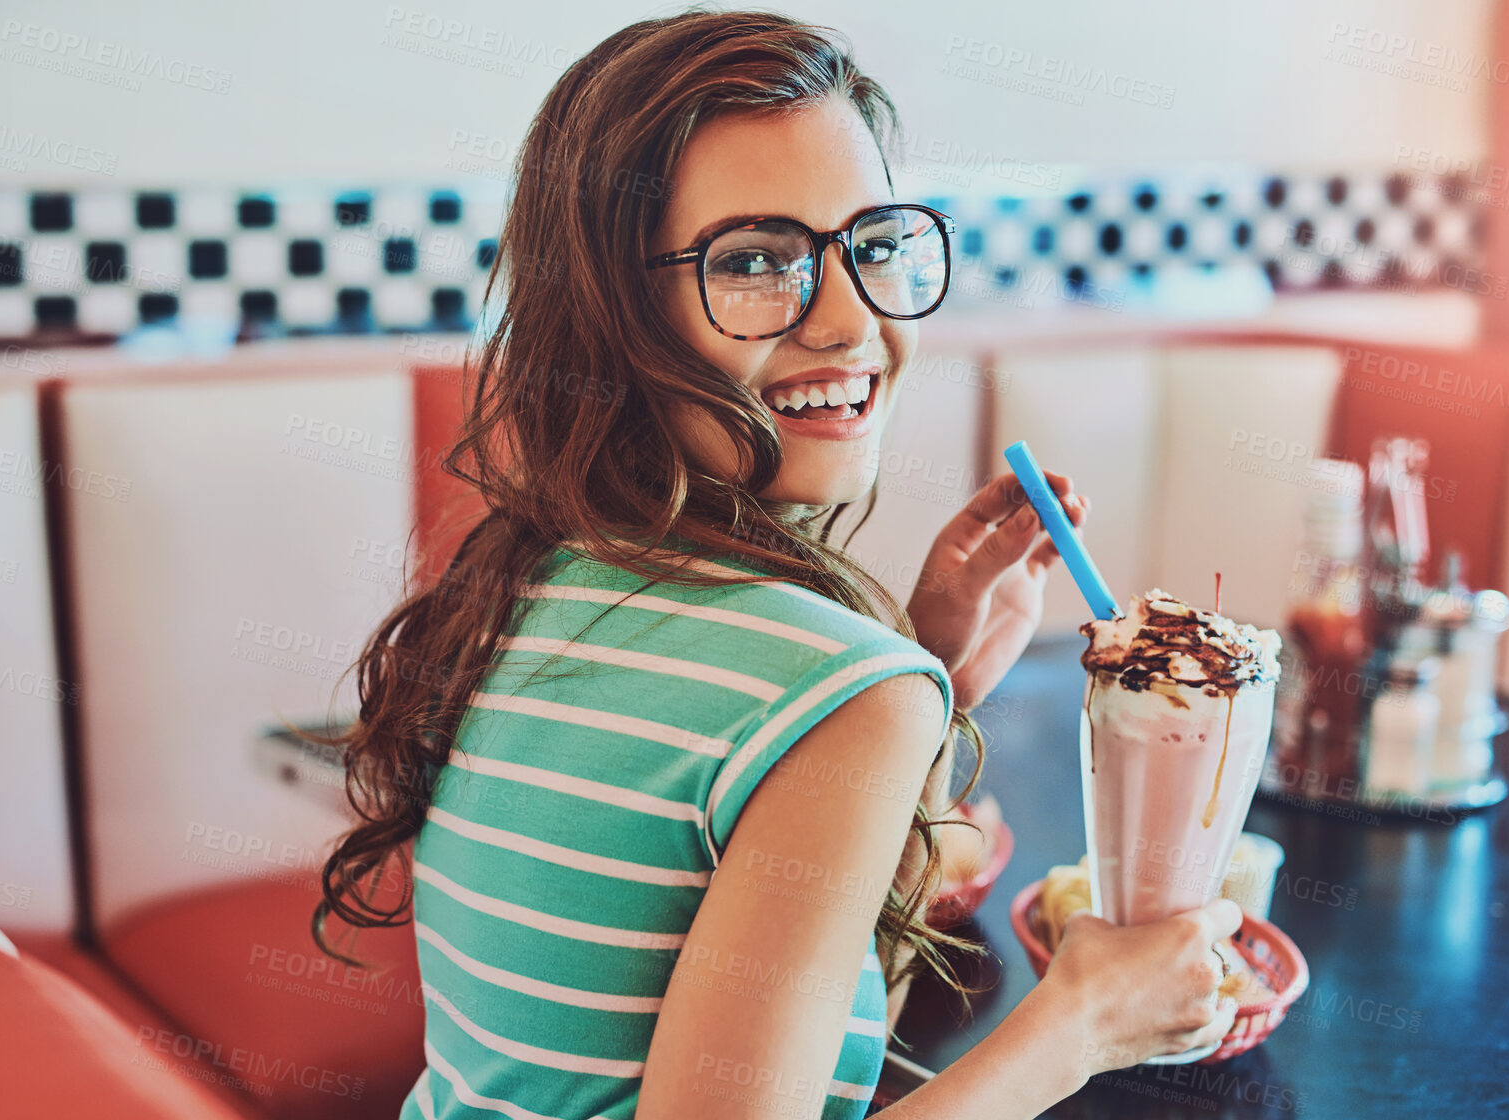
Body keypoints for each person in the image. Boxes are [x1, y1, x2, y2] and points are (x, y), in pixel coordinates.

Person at [315, 10, 1240, 1119]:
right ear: (611, 318)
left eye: (877, 244)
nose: (850, 321)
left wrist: (924, 674)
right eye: (755, 261)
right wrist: (1082, 1022)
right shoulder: (822, 686)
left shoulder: (527, 579)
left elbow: (795, 1047)